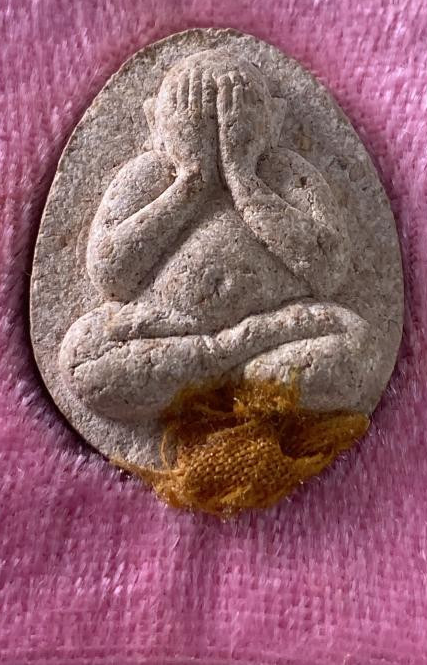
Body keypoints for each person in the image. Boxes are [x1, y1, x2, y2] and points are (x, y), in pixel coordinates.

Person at [59, 50, 375, 423]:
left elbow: (329, 270)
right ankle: (234, 368)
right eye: (189, 106)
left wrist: (244, 182)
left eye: (237, 104)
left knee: (355, 343)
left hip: (275, 324)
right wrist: (191, 181)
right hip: (170, 325)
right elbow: (110, 275)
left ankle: (207, 373)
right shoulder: (146, 174)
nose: (218, 122)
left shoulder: (286, 171)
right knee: (84, 352)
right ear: (154, 121)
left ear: (274, 119)